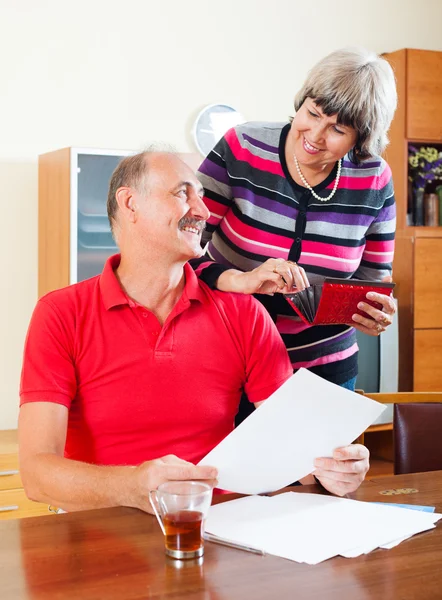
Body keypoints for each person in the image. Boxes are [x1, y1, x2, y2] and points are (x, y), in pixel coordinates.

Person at [19, 151, 370, 514]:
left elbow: (298, 452)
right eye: (182, 193)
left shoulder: (244, 313)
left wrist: (334, 468)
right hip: (100, 544)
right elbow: (36, 474)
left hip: (217, 533)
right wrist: (132, 487)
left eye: (200, 195)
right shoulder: (60, 314)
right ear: (130, 204)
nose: (203, 211)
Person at [192, 47, 398, 423]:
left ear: (362, 138)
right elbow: (179, 249)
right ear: (301, 102)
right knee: (230, 481)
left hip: (323, 369)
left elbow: (373, 280)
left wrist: (372, 312)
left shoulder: (375, 179)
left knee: (321, 481)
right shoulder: (243, 148)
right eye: (312, 113)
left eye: (337, 129)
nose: (315, 136)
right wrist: (240, 280)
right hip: (227, 356)